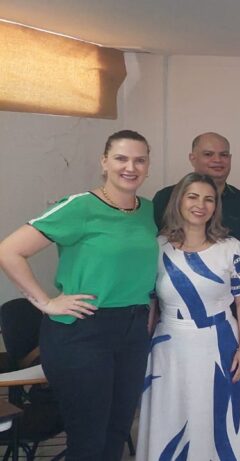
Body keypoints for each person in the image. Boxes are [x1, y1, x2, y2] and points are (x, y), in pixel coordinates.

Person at [0, 130, 157, 460]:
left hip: (133, 330)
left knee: (117, 431)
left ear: (147, 165)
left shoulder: (148, 211)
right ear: (104, 162)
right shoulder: (79, 206)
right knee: (88, 439)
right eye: (121, 158)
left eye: (139, 160)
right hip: (83, 331)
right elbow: (9, 251)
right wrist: (45, 302)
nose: (130, 167)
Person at [138, 173, 240, 460]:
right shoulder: (158, 247)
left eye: (208, 199)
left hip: (220, 344)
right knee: (172, 417)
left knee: (216, 420)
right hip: (169, 347)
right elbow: (149, 301)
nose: (200, 205)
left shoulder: (231, 247)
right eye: (192, 197)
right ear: (178, 201)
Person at [152, 132, 240, 315]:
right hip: (172, 310)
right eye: (208, 154)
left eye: (223, 155)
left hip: (231, 310)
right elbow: (150, 254)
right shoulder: (165, 198)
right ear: (192, 158)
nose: (217, 160)